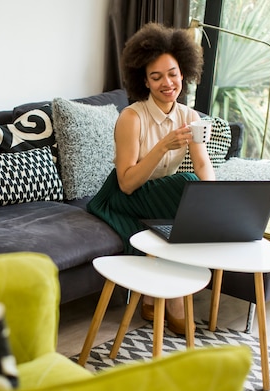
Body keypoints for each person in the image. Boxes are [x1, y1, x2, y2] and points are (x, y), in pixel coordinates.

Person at [87, 22, 215, 335]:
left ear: (183, 73)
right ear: (144, 81)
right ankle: (174, 301)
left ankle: (157, 295)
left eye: (172, 73)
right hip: (122, 195)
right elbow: (127, 182)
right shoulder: (132, 117)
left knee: (198, 196)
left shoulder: (190, 117)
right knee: (188, 187)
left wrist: (217, 201)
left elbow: (202, 164)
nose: (167, 83)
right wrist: (162, 147)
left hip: (155, 194)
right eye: (156, 77)